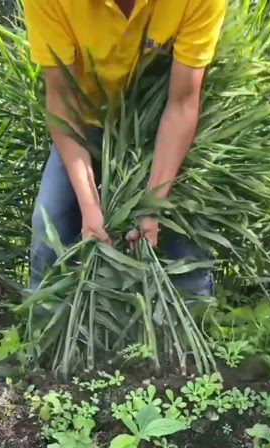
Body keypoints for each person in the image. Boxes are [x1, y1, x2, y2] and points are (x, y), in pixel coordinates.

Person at [23, 0, 225, 296]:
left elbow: (182, 103)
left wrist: (153, 204)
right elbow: (62, 102)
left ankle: (192, 324)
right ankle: (44, 331)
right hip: (87, 119)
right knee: (49, 223)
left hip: (159, 119)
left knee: (184, 234)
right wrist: (90, 205)